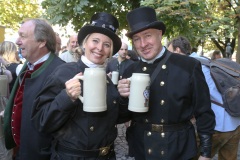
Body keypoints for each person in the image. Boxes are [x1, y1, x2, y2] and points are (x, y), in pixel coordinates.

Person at [117, 7, 215, 160]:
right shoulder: (130, 70)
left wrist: (205, 153)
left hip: (179, 149)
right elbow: (123, 117)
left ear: (160, 34)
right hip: (143, 150)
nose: (143, 44)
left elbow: (204, 111)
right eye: (136, 39)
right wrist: (122, 98)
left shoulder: (188, 66)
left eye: (147, 36)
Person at [31, 12, 123, 160]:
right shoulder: (64, 72)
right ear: (85, 43)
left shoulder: (109, 77)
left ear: (110, 51)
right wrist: (66, 97)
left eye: (107, 45)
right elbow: (41, 122)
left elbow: (115, 118)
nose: (99, 48)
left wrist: (124, 97)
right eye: (95, 41)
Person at [168, 36, 240, 160]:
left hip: (217, 126)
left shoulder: (189, 66)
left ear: (178, 50)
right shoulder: (204, 61)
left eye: (169, 53)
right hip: (235, 121)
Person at [3, 18, 65, 160]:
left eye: (23, 36)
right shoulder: (28, 65)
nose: (17, 41)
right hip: (21, 150)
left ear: (42, 41)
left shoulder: (60, 70)